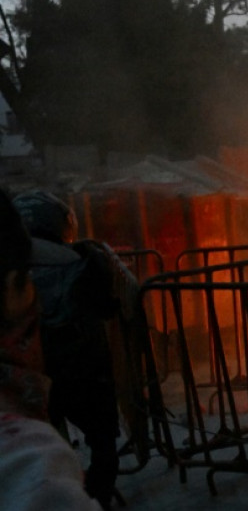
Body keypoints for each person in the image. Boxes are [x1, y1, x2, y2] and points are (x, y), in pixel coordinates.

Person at [12, 190, 122, 510]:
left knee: (41, 444)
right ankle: (95, 498)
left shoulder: (10, 268)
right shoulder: (84, 259)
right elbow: (107, 306)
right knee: (102, 441)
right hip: (85, 369)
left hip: (32, 374)